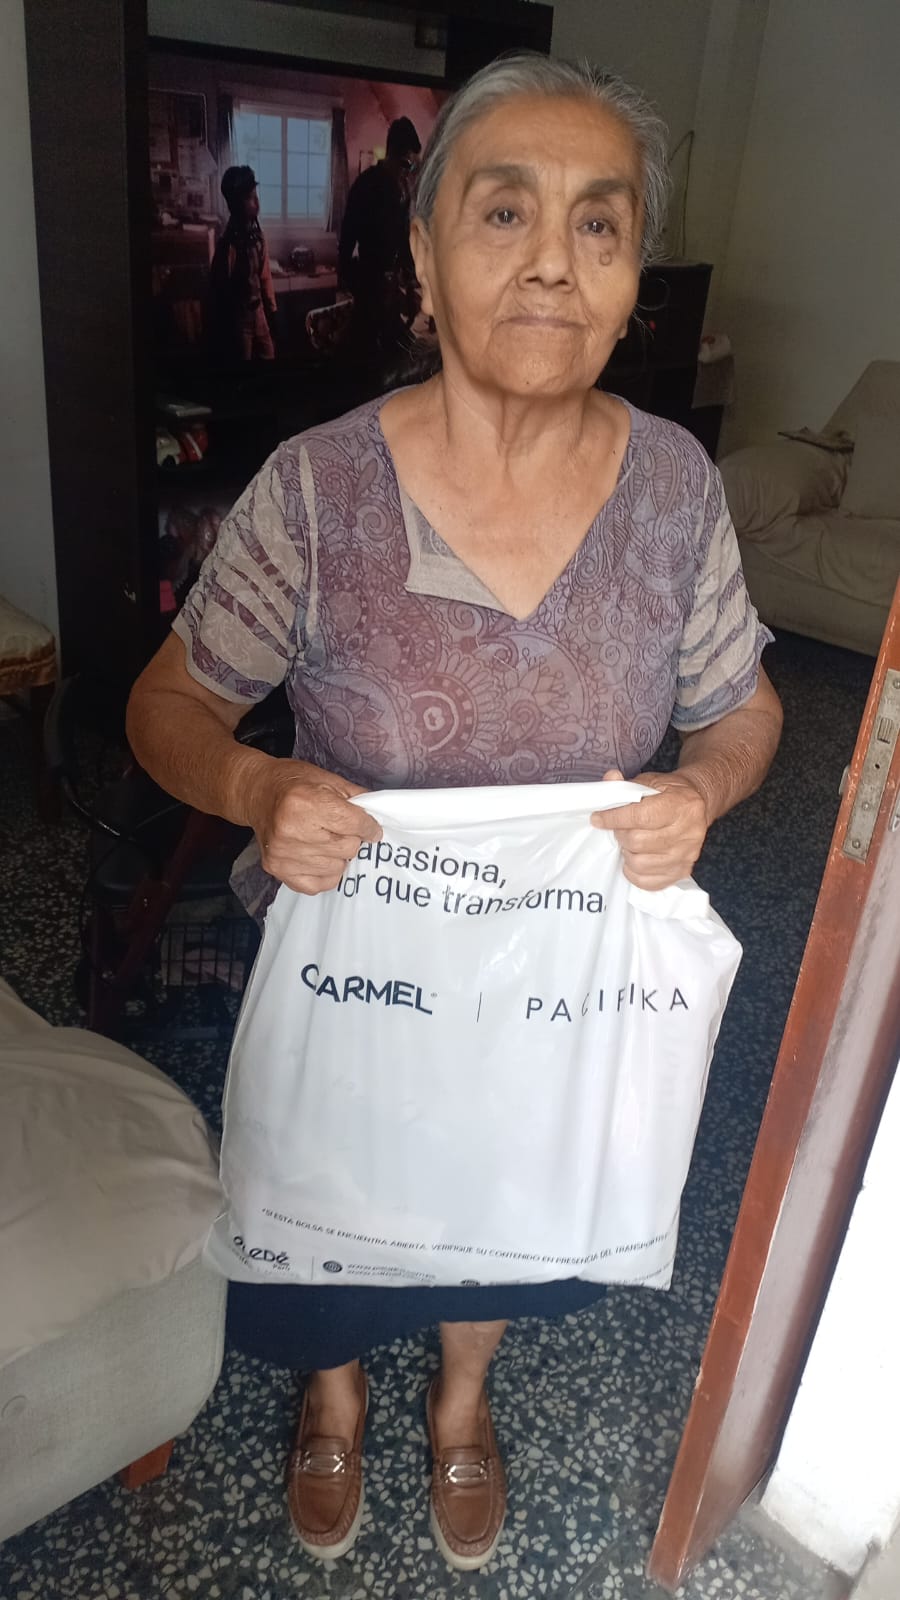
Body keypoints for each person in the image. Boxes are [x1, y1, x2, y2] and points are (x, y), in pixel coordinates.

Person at [127, 55, 783, 1574]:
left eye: (598, 225)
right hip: (361, 981)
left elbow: (744, 708)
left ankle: (463, 1396)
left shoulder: (674, 488)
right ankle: (337, 1392)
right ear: (422, 262)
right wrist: (258, 786)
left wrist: (702, 787)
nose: (553, 261)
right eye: (504, 213)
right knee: (337, 1194)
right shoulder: (318, 493)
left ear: (632, 280)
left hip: (555, 991)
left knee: (507, 1200)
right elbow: (167, 709)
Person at [338, 116, 422, 369]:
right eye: (406, 164)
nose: (408, 172)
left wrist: (411, 281)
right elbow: (347, 237)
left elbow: (403, 240)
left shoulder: (402, 189)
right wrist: (349, 278)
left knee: (397, 352)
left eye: (411, 167)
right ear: (392, 154)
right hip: (369, 282)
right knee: (365, 353)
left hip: (391, 286)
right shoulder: (366, 185)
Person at [208, 165, 277, 362]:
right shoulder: (227, 245)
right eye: (250, 198)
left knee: (269, 355)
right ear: (237, 203)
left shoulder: (258, 237)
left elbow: (265, 277)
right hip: (239, 317)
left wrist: (272, 311)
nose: (257, 202)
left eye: (256, 196)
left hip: (259, 312)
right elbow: (220, 290)